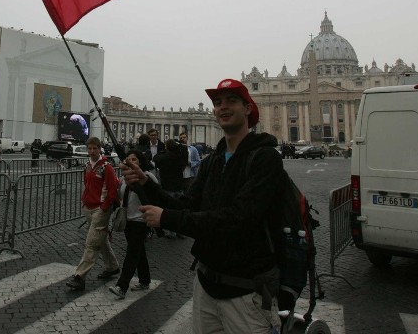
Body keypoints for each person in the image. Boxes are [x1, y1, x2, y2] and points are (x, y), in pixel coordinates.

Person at [122, 78, 285, 333]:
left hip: (246, 290)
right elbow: (186, 204)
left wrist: (168, 219)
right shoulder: (212, 162)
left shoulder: (265, 159)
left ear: (248, 109)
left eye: (231, 101)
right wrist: (147, 184)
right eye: (218, 102)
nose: (223, 107)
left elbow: (238, 219)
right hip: (206, 284)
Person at [65, 136, 120, 291]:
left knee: (91, 243)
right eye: (89, 148)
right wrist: (84, 200)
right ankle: (112, 266)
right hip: (89, 207)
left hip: (100, 209)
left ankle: (80, 276)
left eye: (94, 148)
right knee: (100, 240)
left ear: (99, 148)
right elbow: (87, 184)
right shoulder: (87, 165)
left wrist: (104, 208)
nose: (92, 151)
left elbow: (112, 190)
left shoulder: (106, 166)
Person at [108, 149, 158, 299]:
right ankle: (144, 280)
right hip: (128, 220)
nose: (130, 162)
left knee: (131, 253)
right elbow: (121, 198)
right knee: (138, 252)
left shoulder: (147, 177)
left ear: (140, 162)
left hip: (141, 221)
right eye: (128, 159)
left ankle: (122, 286)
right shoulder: (124, 179)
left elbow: (155, 194)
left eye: (134, 159)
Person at [152, 139, 189, 238]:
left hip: (167, 185)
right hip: (179, 185)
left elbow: (155, 159)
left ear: (167, 148)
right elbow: (184, 153)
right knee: (179, 208)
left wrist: (163, 151)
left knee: (168, 209)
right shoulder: (180, 157)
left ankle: (170, 231)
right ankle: (180, 231)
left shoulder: (163, 157)